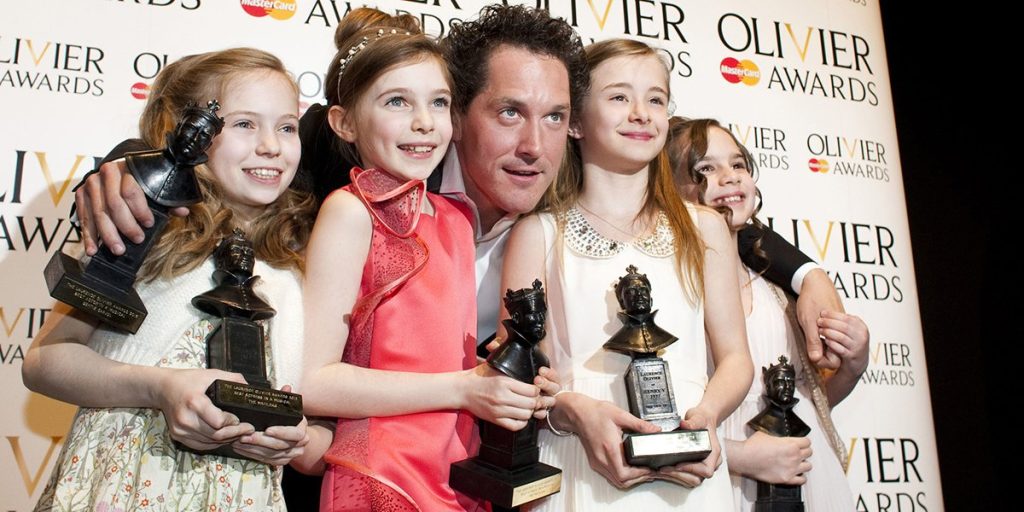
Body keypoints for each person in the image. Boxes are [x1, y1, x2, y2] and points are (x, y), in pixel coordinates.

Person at [22, 48, 315, 511]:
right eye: (244, 124)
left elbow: (303, 415)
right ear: (187, 130)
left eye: (287, 127)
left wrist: (291, 438)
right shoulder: (139, 225)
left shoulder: (297, 264)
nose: (271, 146)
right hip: (122, 488)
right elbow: (45, 361)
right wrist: (159, 388)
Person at [295, 25, 551, 511]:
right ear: (344, 123)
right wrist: (465, 389)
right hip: (381, 475)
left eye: (438, 103)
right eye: (397, 102)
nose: (424, 123)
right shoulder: (350, 211)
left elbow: (449, 361)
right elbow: (313, 382)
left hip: (456, 474)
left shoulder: (456, 218)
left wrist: (509, 381)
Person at [501, 39, 753, 510]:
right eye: (619, 97)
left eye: (656, 99)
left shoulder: (705, 229)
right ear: (575, 121)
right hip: (580, 465)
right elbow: (517, 372)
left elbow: (736, 358)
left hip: (690, 472)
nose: (641, 114)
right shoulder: (538, 233)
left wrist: (708, 415)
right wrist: (572, 411)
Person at [669, 117, 868, 511]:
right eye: (705, 168)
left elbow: (808, 403)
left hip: (807, 481)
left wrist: (852, 366)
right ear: (668, 185)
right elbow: (649, 418)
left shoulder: (776, 285)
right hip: (714, 483)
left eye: (738, 164)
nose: (730, 177)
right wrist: (739, 456)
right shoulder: (670, 286)